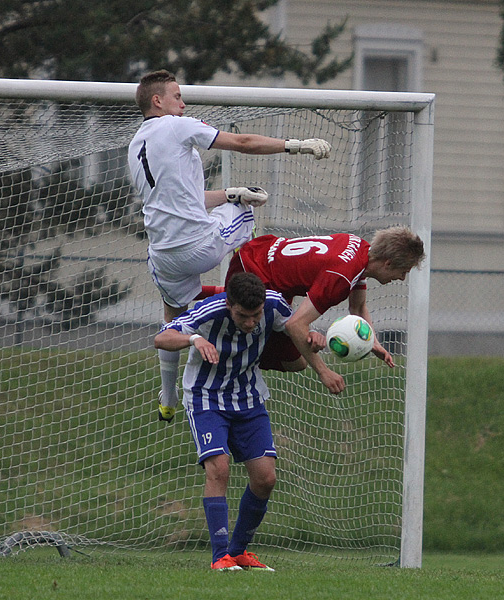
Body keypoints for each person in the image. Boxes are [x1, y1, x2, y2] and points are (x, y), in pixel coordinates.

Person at [128, 69, 332, 422]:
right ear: (157, 101)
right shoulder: (176, 126)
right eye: (177, 96)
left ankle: (168, 395)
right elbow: (242, 143)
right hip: (200, 245)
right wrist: (294, 146)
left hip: (163, 257)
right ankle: (256, 309)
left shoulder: (135, 145)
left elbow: (186, 201)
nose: (184, 103)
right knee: (245, 212)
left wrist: (229, 192)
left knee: (173, 318)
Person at [154, 272, 292, 572]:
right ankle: (220, 557)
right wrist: (194, 338)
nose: (251, 323)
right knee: (219, 469)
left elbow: (295, 325)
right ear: (229, 304)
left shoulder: (274, 305)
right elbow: (161, 338)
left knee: (266, 478)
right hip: (206, 399)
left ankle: (239, 551)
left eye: (255, 316)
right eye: (243, 315)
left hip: (249, 399)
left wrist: (314, 339)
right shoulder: (209, 311)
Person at [223, 226, 426, 395]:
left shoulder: (361, 249)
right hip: (254, 272)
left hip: (262, 254)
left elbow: (358, 306)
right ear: (388, 263)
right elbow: (295, 325)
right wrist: (324, 372)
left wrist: (372, 341)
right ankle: (231, 356)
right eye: (403, 272)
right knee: (297, 362)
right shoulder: (340, 277)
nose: (401, 278)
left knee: (298, 344)